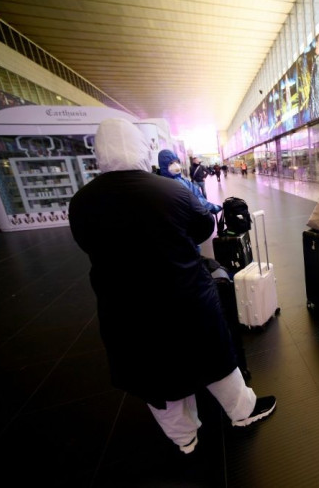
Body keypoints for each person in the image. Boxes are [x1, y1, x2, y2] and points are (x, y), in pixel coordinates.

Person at [69, 118, 276, 455]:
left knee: (154, 375)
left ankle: (184, 438)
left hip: (124, 306)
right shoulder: (169, 189)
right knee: (214, 358)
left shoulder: (82, 201)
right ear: (140, 148)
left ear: (99, 151)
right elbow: (203, 228)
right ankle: (243, 412)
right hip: (184, 295)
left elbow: (86, 244)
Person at [158, 150, 221, 215]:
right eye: (171, 163)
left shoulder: (184, 181)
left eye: (176, 162)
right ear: (163, 166)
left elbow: (198, 197)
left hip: (200, 182)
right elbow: (195, 200)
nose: (175, 165)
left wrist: (203, 177)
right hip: (185, 219)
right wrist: (214, 208)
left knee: (203, 192)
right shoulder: (161, 185)